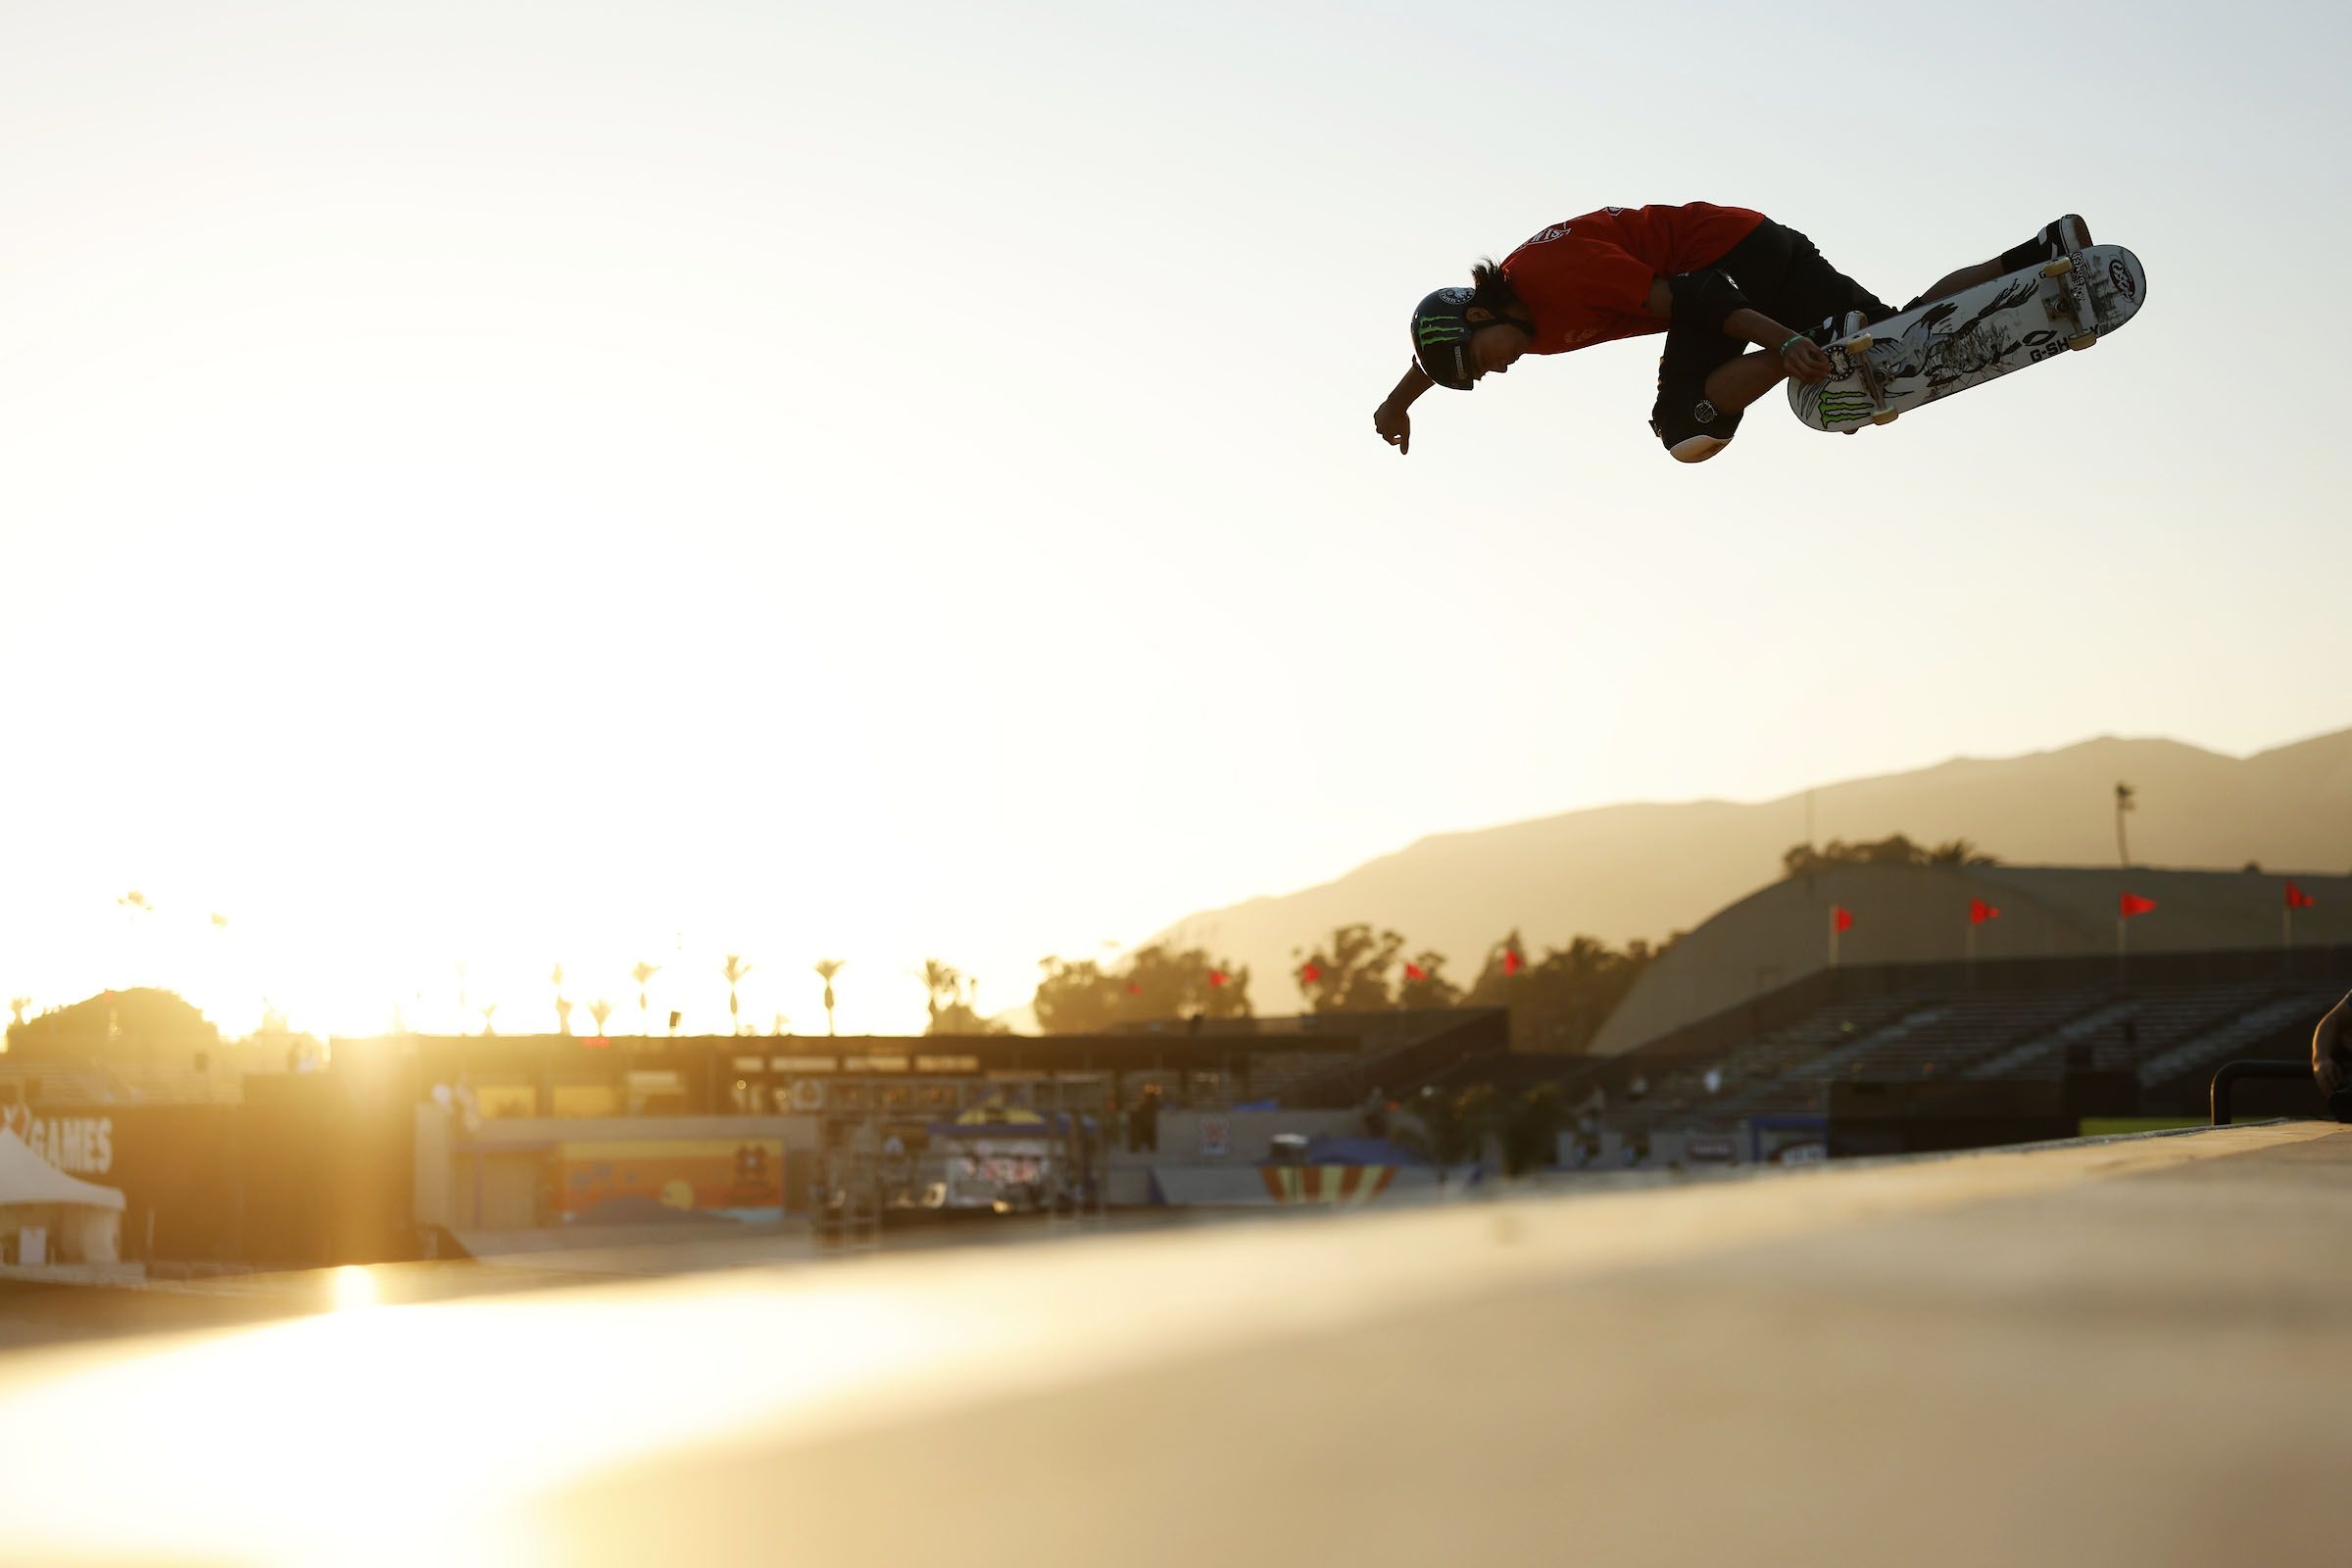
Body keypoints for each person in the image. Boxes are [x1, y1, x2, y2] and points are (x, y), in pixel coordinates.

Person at [1376, 204, 2090, 465]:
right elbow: (1445, 344)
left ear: (1479, 314)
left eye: (1481, 364)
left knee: (1686, 429)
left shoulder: (1559, 275)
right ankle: (2044, 254)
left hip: (1721, 265)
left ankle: (1822, 342)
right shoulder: (1504, 321)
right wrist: (1402, 399)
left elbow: (1702, 299)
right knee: (1899, 332)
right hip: (1757, 240)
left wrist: (1784, 347)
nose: (1498, 371)